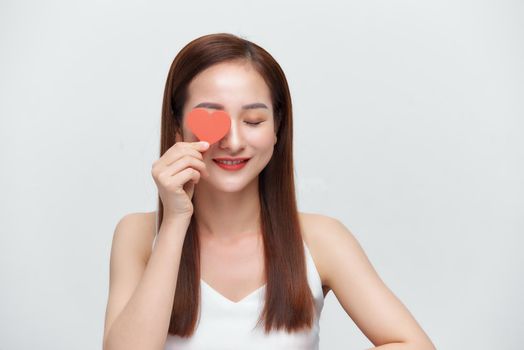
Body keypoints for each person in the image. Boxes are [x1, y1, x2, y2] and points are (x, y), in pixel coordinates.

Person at [102, 33, 436, 350]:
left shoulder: (321, 239)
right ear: (178, 127)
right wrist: (175, 220)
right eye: (212, 119)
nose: (232, 143)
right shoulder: (138, 235)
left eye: (253, 121)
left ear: (277, 128)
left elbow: (415, 345)